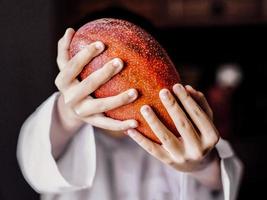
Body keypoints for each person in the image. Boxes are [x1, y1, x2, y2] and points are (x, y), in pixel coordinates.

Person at [17, 28, 243, 200]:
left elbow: (224, 182)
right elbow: (35, 165)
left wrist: (200, 165)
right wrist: (69, 111)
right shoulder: (57, 132)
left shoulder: (184, 135)